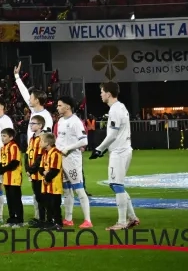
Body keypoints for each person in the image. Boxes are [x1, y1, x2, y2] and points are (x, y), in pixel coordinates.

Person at [91, 80, 139, 231]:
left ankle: (122, 221)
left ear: (108, 93)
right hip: (122, 150)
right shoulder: (121, 107)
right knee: (117, 185)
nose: (100, 94)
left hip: (119, 152)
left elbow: (112, 134)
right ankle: (132, 218)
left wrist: (99, 148)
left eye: (102, 91)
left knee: (116, 185)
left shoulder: (115, 110)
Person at [56, 96, 92, 228]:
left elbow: (84, 141)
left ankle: (88, 220)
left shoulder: (76, 122)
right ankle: (68, 218)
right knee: (66, 190)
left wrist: (68, 148)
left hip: (72, 160)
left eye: (60, 105)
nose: (57, 107)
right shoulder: (60, 121)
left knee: (79, 189)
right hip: (62, 159)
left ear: (68, 107)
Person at [14, 62, 54, 143]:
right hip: (32, 151)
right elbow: (24, 92)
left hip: (40, 152)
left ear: (37, 100)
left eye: (31, 98)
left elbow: (47, 136)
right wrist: (17, 76)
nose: (29, 100)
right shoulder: (33, 110)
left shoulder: (46, 116)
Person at [0, 128, 24, 227]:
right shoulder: (4, 147)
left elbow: (14, 162)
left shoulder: (14, 146)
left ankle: (19, 220)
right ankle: (12, 219)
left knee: (15, 199)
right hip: (7, 178)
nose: (2, 138)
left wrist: (2, 170)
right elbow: (4, 161)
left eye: (4, 136)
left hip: (14, 177)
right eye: (1, 136)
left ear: (11, 137)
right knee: (10, 199)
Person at [39, 133, 64, 230]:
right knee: (48, 205)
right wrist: (44, 174)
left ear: (47, 143)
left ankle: (58, 223)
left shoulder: (56, 153)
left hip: (54, 184)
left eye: (41, 141)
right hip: (46, 184)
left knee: (55, 205)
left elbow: (55, 170)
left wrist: (46, 178)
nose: (40, 143)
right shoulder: (45, 153)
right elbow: (41, 169)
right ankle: (50, 222)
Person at [26, 115, 46, 227]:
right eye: (30, 123)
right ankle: (40, 218)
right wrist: (27, 169)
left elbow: (40, 157)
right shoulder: (32, 138)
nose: (31, 125)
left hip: (39, 173)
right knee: (37, 196)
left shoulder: (42, 138)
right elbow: (28, 154)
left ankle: (44, 219)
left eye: (33, 123)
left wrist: (31, 170)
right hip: (33, 173)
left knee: (41, 197)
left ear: (40, 125)